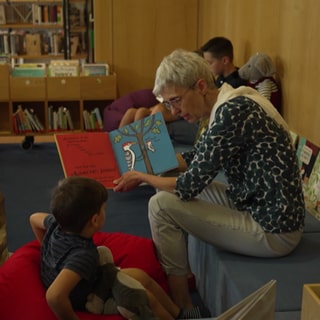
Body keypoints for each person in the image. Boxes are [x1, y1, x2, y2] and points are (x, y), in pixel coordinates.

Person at [113, 49, 305, 314]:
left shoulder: (232, 111)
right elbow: (196, 157)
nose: (174, 111)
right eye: (168, 104)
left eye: (176, 100)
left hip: (273, 229)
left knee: (161, 205)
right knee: (165, 181)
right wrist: (148, 163)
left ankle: (181, 305)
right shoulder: (229, 100)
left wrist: (141, 176)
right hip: (253, 203)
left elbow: (188, 186)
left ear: (201, 86)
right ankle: (179, 278)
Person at [29, 176, 200, 320]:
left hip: (92, 280)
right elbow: (54, 296)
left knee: (139, 275)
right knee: (145, 297)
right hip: (91, 298)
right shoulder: (82, 255)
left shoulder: (56, 224)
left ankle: (180, 314)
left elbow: (34, 218)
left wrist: (46, 252)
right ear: (94, 220)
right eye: (104, 209)